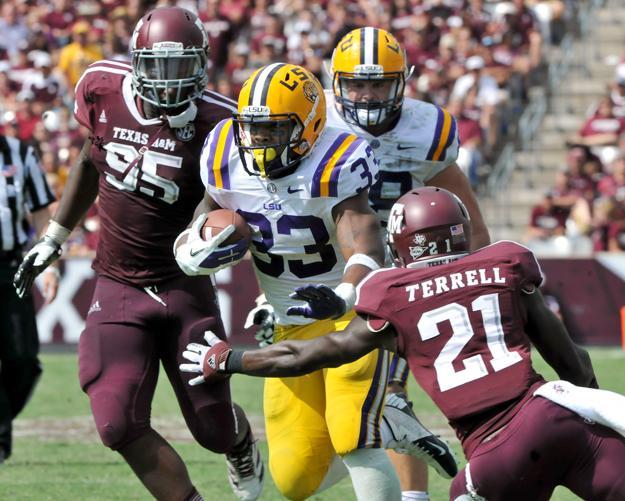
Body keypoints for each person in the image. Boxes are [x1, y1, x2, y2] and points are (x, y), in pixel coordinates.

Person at [182, 187, 625, 501]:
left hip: (495, 451)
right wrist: (590, 415)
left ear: (402, 242)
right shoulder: (505, 264)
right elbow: (572, 359)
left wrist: (231, 359)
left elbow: (307, 353)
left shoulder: (392, 294)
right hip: (559, 414)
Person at [173, 63, 456, 501]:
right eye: (253, 129)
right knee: (296, 479)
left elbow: (364, 243)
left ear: (308, 127)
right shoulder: (224, 153)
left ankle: (376, 428)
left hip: (354, 315)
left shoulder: (337, 159)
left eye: (273, 130)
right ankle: (388, 426)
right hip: (290, 322)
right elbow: (206, 216)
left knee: (352, 437)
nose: (259, 140)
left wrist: (344, 296)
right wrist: (194, 248)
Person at [13, 7, 263, 501]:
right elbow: (90, 156)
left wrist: (219, 241)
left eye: (180, 67)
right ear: (136, 62)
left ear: (202, 64)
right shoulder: (101, 86)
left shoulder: (222, 122)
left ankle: (239, 442)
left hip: (184, 286)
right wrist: (54, 236)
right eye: (158, 67)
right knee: (115, 421)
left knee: (212, 430)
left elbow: (241, 209)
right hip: (118, 285)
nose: (168, 83)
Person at [324, 27, 493, 500]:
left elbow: (465, 212)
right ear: (335, 83)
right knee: (374, 396)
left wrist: (478, 274)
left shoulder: (427, 129)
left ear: (403, 82)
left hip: (405, 264)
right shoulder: (317, 122)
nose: (367, 94)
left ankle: (450, 482)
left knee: (420, 383)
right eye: (357, 83)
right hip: (331, 264)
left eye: (380, 84)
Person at [1, 133, 58, 463]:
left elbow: (40, 212)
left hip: (9, 266)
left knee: (24, 361)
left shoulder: (19, 154)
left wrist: (49, 266)